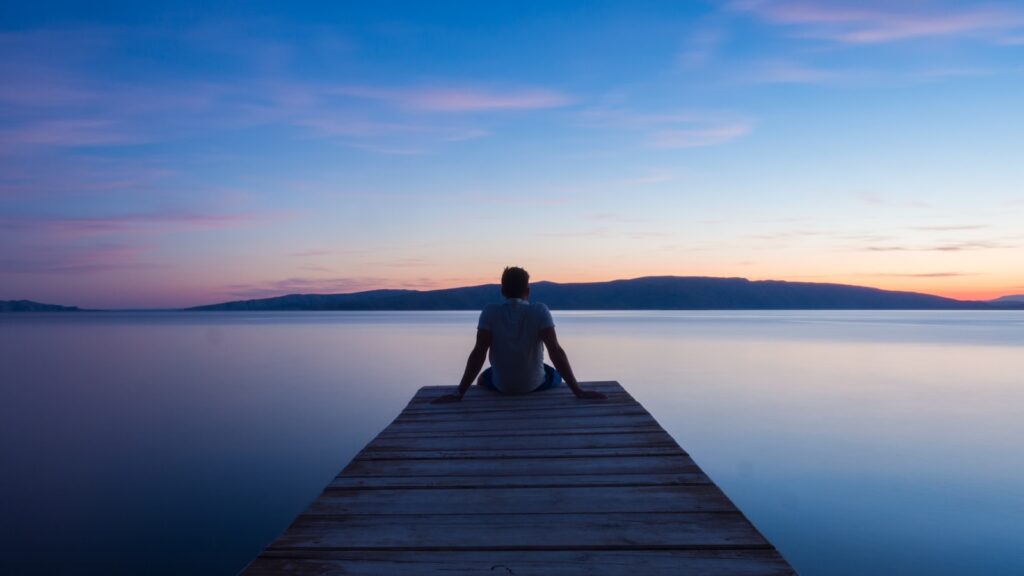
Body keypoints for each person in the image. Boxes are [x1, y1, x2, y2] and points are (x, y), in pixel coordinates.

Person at [432, 266, 606, 403]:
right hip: (534, 386)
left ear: (503, 291)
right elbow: (556, 352)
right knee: (553, 373)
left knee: (483, 378)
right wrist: (578, 391)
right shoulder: (540, 310)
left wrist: (459, 393)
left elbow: (479, 353)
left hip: (502, 387)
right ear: (527, 291)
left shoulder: (489, 312)